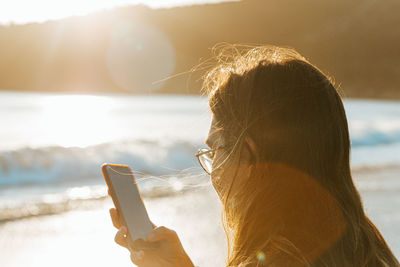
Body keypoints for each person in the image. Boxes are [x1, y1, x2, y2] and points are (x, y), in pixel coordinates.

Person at [109, 45, 399, 266]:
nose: (215, 174)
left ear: (252, 155)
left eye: (215, 150)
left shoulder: (278, 258)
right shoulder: (368, 248)